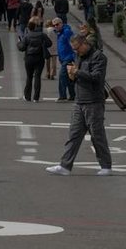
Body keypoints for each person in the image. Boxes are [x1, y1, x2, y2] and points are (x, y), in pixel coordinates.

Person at [45, 32, 111, 175]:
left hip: (93, 102)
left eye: (77, 48)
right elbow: (79, 76)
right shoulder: (79, 56)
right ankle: (65, 166)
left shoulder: (98, 57)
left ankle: (106, 166)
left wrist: (78, 72)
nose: (76, 51)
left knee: (97, 135)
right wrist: (72, 76)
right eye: (74, 49)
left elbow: (97, 77)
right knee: (74, 135)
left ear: (85, 44)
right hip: (79, 101)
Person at [19, 17, 49, 102]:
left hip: (29, 57)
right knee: (37, 77)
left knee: (29, 77)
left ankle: (27, 96)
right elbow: (49, 43)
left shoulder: (27, 36)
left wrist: (19, 42)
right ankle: (36, 97)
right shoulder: (42, 35)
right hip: (39, 57)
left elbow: (22, 48)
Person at [53, 16, 78, 101]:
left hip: (69, 57)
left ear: (61, 23)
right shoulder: (60, 33)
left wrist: (75, 53)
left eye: (57, 24)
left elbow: (72, 43)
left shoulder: (66, 32)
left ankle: (62, 95)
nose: (55, 26)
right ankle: (72, 95)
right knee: (69, 78)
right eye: (54, 25)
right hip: (63, 58)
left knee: (62, 76)